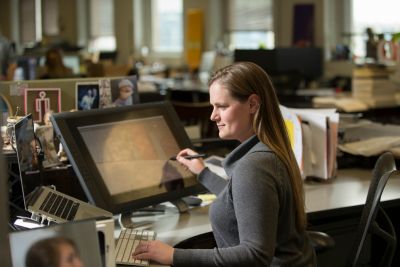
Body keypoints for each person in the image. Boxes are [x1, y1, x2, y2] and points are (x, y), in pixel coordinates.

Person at [132, 62, 316, 266]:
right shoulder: (270, 151)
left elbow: (255, 254)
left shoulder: (254, 166)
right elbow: (243, 199)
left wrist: (173, 255)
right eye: (213, 106)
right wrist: (202, 172)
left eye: (222, 106)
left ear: (253, 104)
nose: (213, 116)